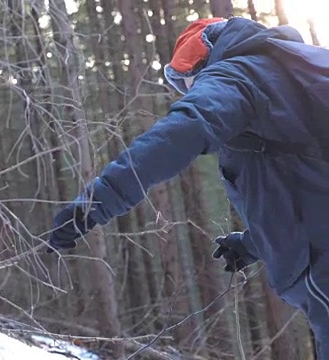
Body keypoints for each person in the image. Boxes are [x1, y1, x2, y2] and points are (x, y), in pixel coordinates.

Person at [47, 16, 329, 357]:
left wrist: (96, 201)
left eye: (188, 80)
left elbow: (181, 132)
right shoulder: (288, 68)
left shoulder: (235, 75)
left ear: (201, 59)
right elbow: (304, 174)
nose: (190, 89)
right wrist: (253, 242)